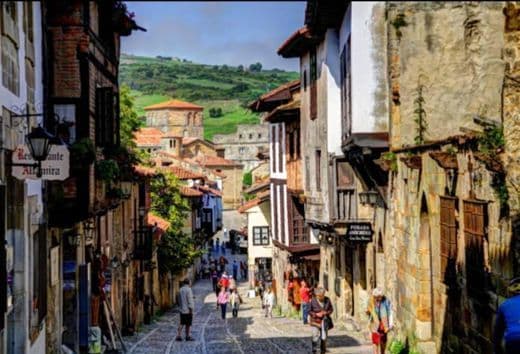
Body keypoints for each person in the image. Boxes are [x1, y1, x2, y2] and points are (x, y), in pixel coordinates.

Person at [494, 277, 520, 354]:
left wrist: (498, 350)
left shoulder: (504, 305)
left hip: (513, 341)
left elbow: (498, 333)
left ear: (510, 293)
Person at [366, 287, 393, 354]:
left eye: (380, 297)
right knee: (375, 340)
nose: (379, 298)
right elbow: (368, 311)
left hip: (383, 323)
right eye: (377, 297)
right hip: (375, 322)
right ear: (375, 296)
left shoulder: (385, 301)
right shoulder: (371, 301)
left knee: (383, 339)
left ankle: (382, 352)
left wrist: (389, 324)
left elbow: (389, 312)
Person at [309, 287, 333, 354]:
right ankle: (314, 350)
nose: (321, 297)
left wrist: (326, 313)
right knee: (315, 335)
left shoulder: (327, 300)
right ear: (317, 295)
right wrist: (316, 314)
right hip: (315, 321)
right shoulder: (313, 301)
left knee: (324, 337)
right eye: (319, 296)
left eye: (322, 295)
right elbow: (309, 311)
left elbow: (331, 309)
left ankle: (323, 351)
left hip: (324, 321)